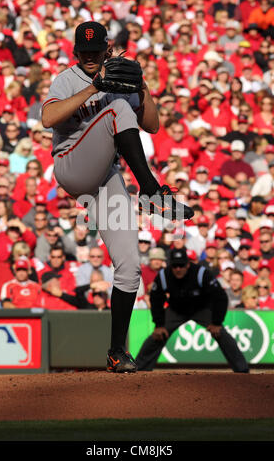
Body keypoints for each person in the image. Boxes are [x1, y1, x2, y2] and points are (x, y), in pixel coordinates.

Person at [41, 21, 193, 373]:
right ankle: (152, 192)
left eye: (96, 51)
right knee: (117, 110)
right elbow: (48, 117)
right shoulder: (68, 78)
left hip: (106, 177)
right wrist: (94, 87)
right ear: (76, 52)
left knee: (129, 266)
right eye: (84, 52)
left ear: (107, 49)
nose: (90, 56)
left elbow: (152, 125)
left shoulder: (123, 75)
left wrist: (143, 90)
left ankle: (115, 351)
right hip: (71, 165)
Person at [135, 247, 249, 373]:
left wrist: (216, 322)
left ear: (188, 264)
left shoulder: (201, 273)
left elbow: (220, 297)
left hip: (201, 308)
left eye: (181, 265)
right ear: (170, 265)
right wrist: (159, 324)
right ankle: (139, 370)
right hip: (176, 309)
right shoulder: (163, 275)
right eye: (175, 265)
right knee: (157, 335)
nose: (178, 269)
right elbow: (156, 299)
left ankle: (242, 371)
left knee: (221, 334)